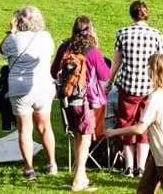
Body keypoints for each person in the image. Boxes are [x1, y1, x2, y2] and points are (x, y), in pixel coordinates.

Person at [103, 53, 163, 194]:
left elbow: (140, 128)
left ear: (152, 71)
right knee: (145, 189)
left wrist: (115, 132)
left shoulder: (155, 96)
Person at [53, 15, 111, 193]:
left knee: (78, 137)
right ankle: (78, 180)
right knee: (85, 138)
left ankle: (81, 176)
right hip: (84, 102)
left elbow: (53, 70)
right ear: (90, 30)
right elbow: (105, 75)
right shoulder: (92, 51)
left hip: (66, 100)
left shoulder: (64, 46)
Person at [110, 0, 163, 178]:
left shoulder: (123, 33)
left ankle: (128, 166)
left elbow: (117, 62)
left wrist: (108, 81)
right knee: (145, 125)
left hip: (128, 87)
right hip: (149, 87)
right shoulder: (156, 34)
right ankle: (141, 166)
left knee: (126, 124)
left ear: (131, 14)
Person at [0, 6, 57, 180]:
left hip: (19, 88)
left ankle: (29, 169)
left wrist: (11, 30)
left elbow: (2, 49)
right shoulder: (46, 37)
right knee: (45, 126)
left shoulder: (14, 39)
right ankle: (52, 164)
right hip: (43, 86)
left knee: (25, 129)